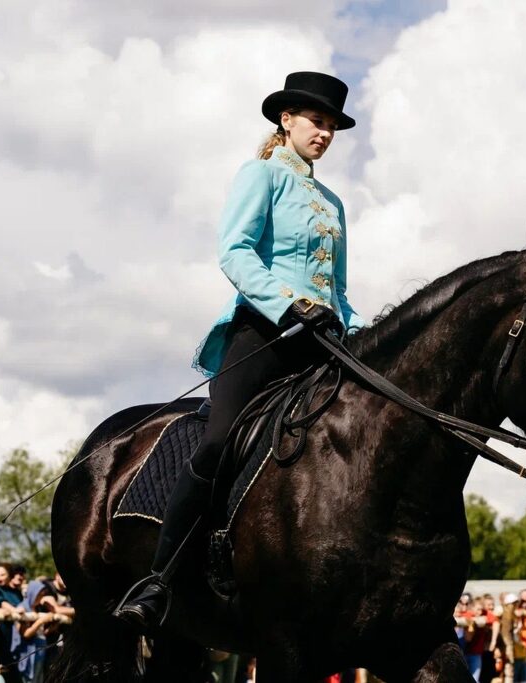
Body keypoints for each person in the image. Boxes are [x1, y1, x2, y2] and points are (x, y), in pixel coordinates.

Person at [114, 70, 364, 630]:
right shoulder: (262, 175)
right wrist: (290, 304)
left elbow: (340, 292)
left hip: (322, 344)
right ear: (287, 120)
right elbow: (235, 251)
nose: (324, 133)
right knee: (219, 441)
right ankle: (159, 581)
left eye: (331, 126)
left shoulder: (333, 204)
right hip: (265, 334)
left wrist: (369, 334)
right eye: (316, 121)